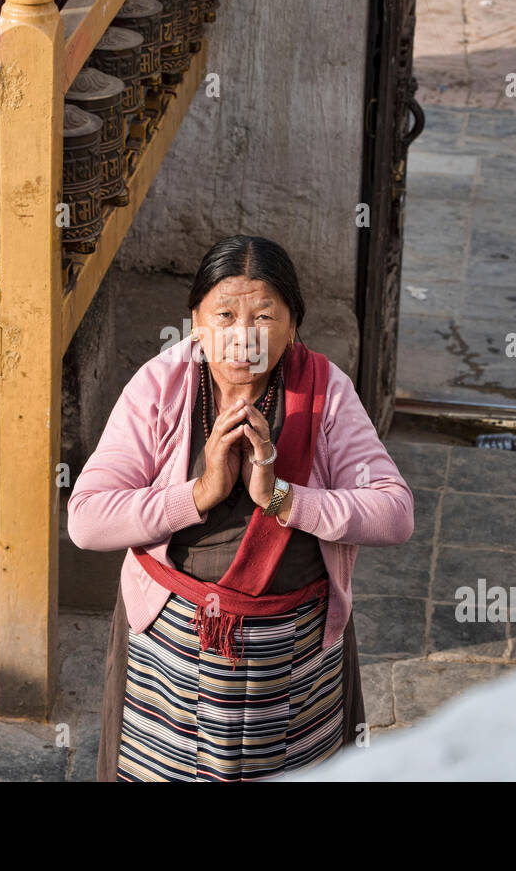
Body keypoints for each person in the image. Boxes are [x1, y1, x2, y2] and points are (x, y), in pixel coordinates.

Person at [67, 234, 415, 781]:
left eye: (264, 316)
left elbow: (395, 513)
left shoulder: (325, 393)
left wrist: (280, 497)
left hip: (293, 654)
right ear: (197, 323)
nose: (242, 337)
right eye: (224, 314)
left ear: (293, 326)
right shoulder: (162, 386)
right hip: (173, 647)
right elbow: (86, 520)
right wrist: (200, 492)